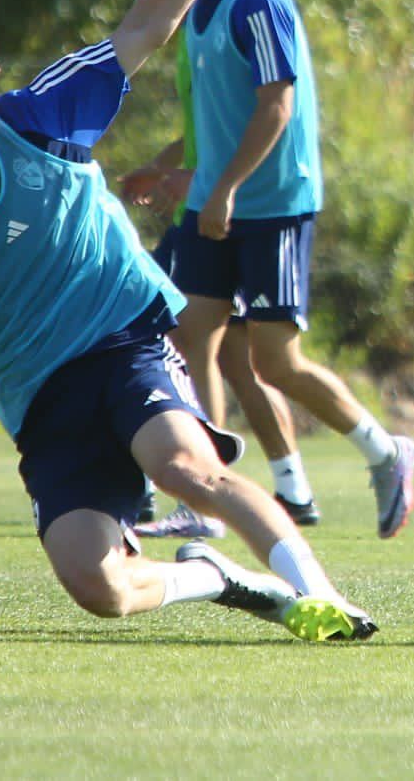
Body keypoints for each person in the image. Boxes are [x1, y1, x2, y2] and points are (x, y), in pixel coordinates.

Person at [0, 0, 374, 642]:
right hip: (40, 399)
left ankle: (323, 595)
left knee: (188, 471)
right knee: (97, 585)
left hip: (124, 338)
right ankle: (211, 577)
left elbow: (147, 23)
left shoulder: (39, 119)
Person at [144, 0, 414, 540]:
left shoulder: (258, 0)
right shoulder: (196, 6)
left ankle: (387, 451)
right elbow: (221, 116)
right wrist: (167, 164)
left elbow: (276, 107)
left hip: (271, 205)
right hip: (217, 202)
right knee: (190, 339)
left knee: (275, 361)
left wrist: (225, 189)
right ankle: (207, 498)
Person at [120, 33, 321, 539]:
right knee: (216, 349)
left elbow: (255, 125)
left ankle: (206, 491)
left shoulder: (244, 10)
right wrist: (166, 167)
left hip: (228, 215)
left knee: (210, 347)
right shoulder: (197, 27)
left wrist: (206, 183)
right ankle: (288, 488)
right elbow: (202, 135)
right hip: (204, 216)